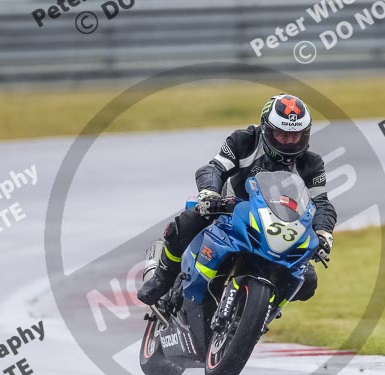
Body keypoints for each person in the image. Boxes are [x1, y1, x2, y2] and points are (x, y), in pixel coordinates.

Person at [137, 94, 337, 305]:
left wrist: (323, 233)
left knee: (307, 281)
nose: (289, 142)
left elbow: (321, 202)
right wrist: (210, 193)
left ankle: (264, 310)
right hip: (228, 211)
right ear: (266, 129)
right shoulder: (244, 140)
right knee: (186, 223)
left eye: (295, 136)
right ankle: (162, 278)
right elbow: (213, 168)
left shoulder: (312, 163)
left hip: (277, 227)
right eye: (282, 134)